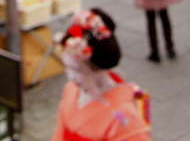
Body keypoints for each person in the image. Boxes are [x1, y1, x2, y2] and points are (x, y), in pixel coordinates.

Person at [52, 9, 150, 141]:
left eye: (77, 71)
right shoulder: (71, 89)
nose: (71, 77)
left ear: (97, 68)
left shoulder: (123, 116)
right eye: (68, 69)